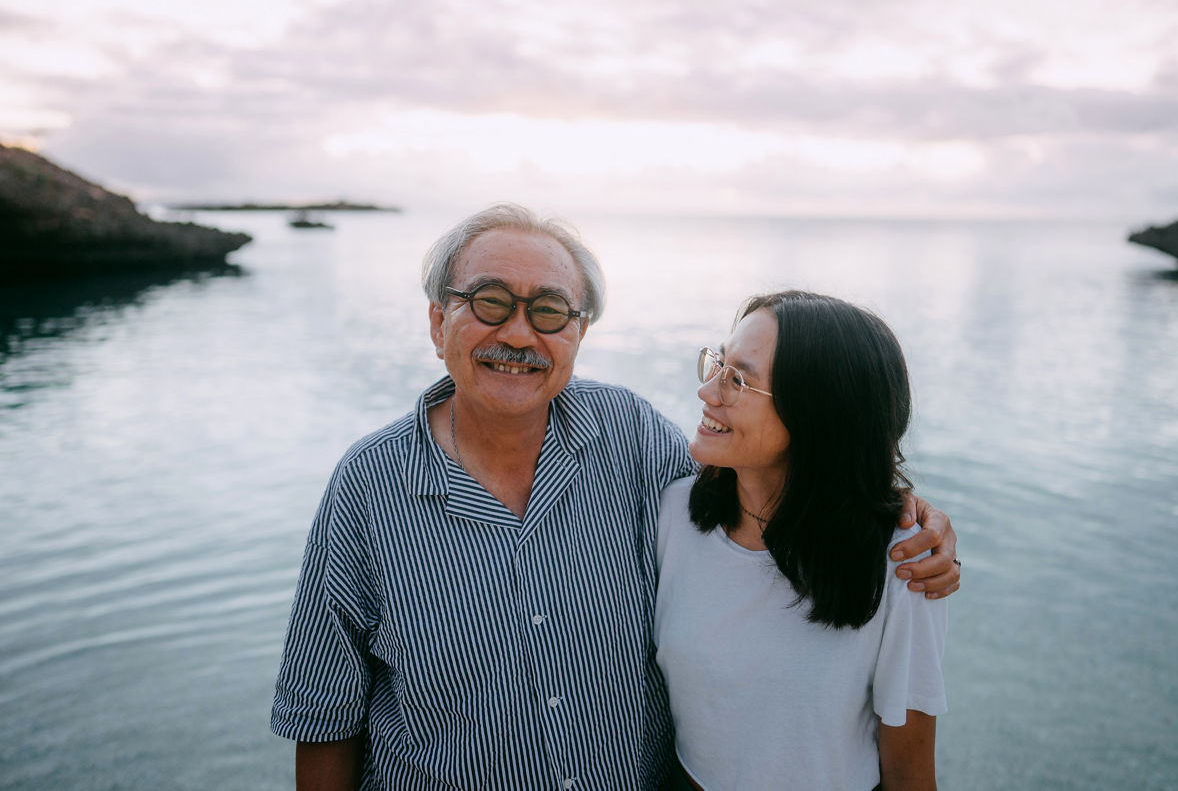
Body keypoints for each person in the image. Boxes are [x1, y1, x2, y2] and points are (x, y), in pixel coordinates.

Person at [271, 205, 960, 790]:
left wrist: (901, 511)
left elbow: (781, 473)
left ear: (578, 334)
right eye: (488, 302)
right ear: (435, 322)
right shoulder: (366, 488)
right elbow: (324, 719)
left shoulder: (632, 441)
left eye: (548, 311)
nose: (518, 334)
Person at [655, 290, 948, 791]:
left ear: (818, 415)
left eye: (738, 380)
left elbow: (909, 770)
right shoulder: (673, 513)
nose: (707, 391)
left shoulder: (902, 561)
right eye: (717, 364)